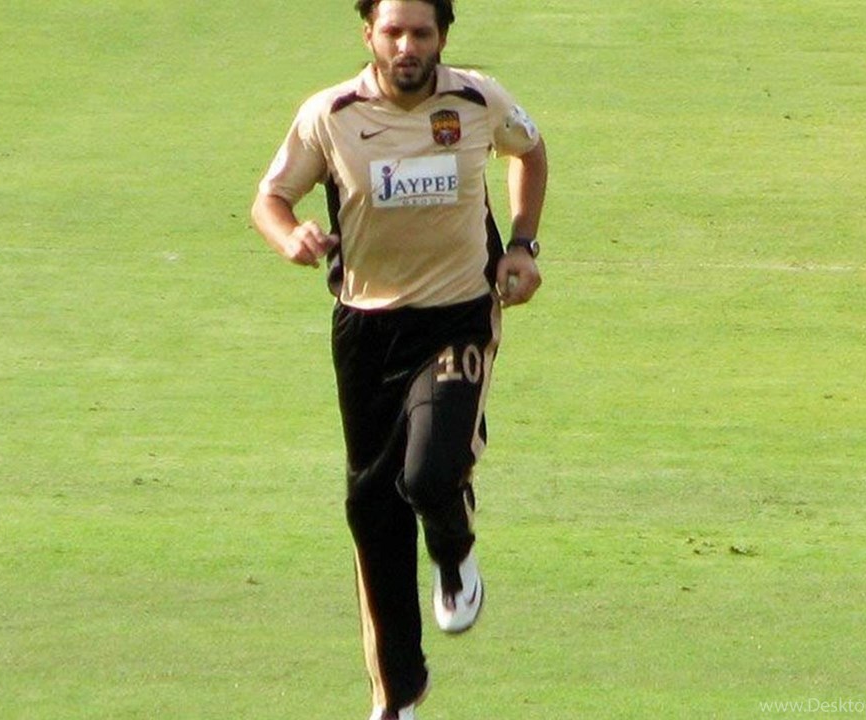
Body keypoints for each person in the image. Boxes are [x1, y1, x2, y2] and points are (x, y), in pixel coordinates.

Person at [250, 1, 547, 717]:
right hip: (367, 328)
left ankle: (453, 549)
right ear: (369, 35)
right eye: (393, 32)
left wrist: (522, 245)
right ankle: (398, 697)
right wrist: (290, 237)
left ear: (442, 36)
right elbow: (270, 198)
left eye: (420, 32)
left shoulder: (476, 99)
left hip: (457, 316)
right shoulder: (330, 115)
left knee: (430, 473)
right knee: (373, 510)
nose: (406, 45)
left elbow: (530, 152)